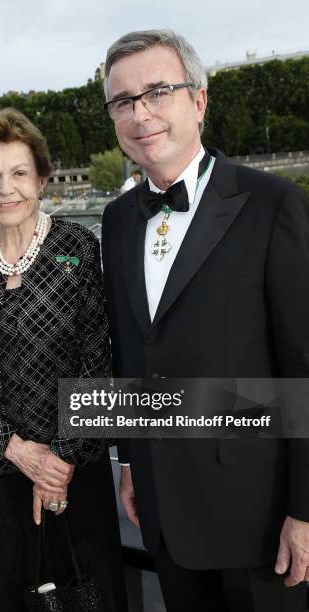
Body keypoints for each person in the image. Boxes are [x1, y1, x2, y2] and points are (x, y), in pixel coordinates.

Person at [101, 29, 309, 612]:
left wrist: (306, 511)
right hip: (163, 509)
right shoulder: (117, 221)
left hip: (259, 522)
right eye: (123, 101)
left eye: (158, 91)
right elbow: (130, 353)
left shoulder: (273, 204)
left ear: (199, 100)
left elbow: (303, 365)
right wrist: (128, 458)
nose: (141, 113)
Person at [0, 108, 127, 612]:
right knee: (11, 594)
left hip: (76, 471)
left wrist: (58, 461)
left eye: (19, 173)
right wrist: (18, 450)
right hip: (3, 471)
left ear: (42, 179)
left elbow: (97, 360)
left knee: (90, 593)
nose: (6, 189)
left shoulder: (77, 249)